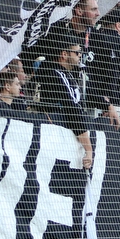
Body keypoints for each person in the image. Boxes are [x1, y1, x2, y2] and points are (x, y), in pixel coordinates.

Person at [35, 31, 92, 169]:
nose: (80, 56)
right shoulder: (55, 74)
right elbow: (71, 108)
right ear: (64, 54)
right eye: (77, 53)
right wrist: (89, 149)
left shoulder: (65, 74)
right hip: (54, 137)